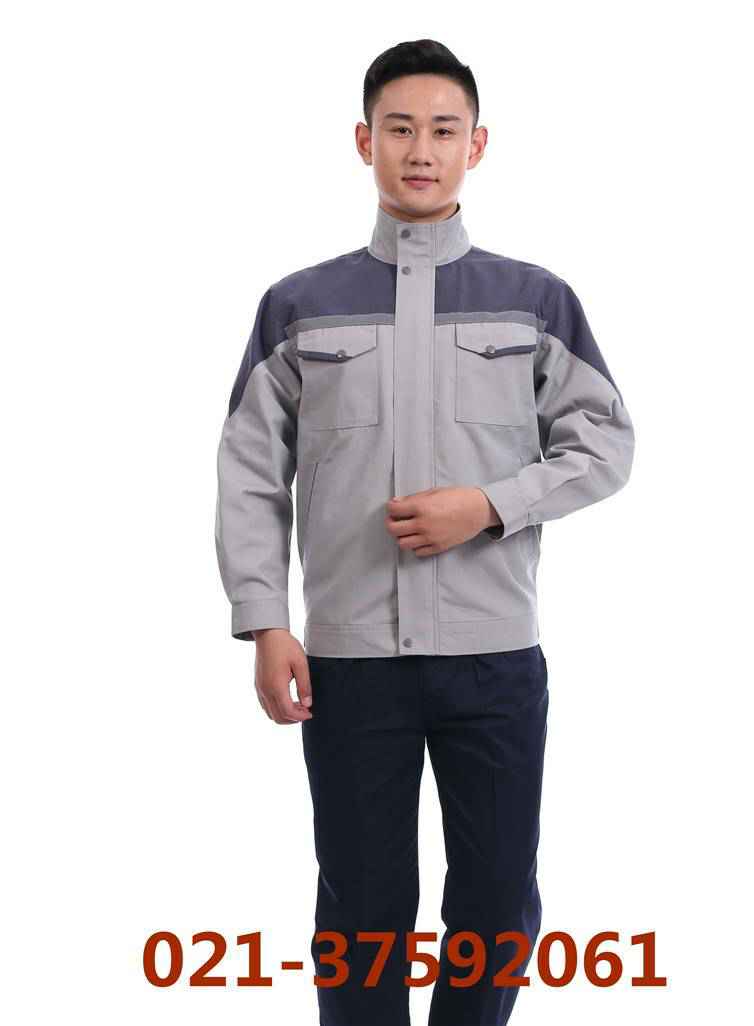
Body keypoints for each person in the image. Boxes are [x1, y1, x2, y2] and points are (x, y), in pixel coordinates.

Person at [215, 38, 635, 1026]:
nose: (420, 149)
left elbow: (606, 444)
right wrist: (264, 620)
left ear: (475, 146)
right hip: (349, 660)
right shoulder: (298, 307)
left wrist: (487, 504)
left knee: (494, 903)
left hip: (494, 659)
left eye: (443, 130)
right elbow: (248, 473)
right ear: (364, 140)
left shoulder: (536, 301)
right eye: (399, 128)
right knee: (361, 910)